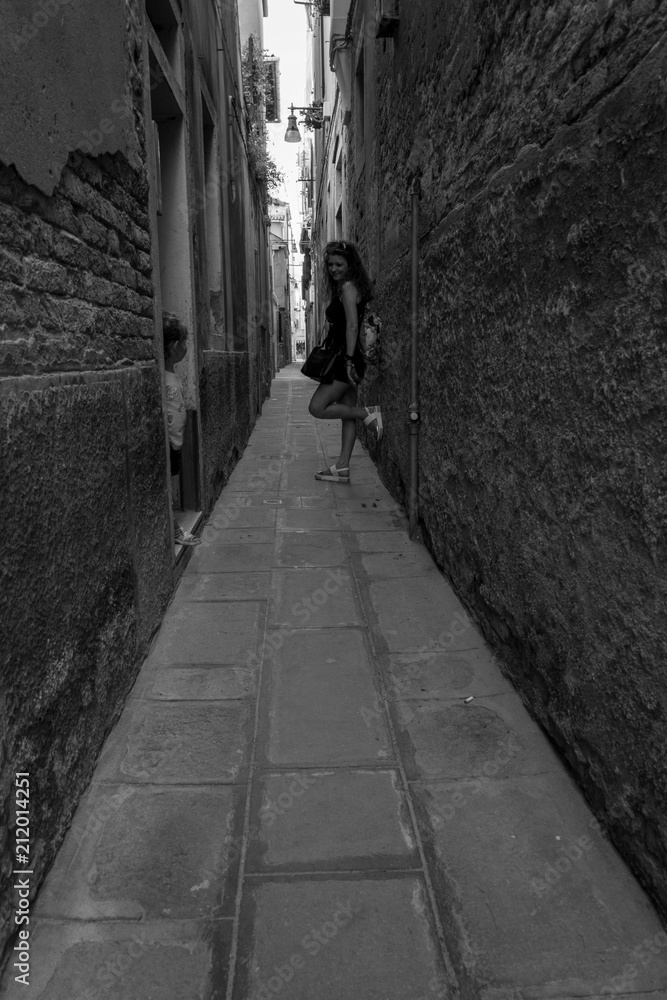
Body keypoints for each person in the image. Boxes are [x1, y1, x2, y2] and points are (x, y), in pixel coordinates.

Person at [307, 240, 383, 483]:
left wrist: (349, 360)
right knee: (345, 414)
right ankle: (342, 467)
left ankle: (366, 413)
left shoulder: (348, 287)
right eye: (330, 264)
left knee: (317, 407)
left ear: (350, 264)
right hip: (348, 358)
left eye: (339, 264)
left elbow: (352, 325)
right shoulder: (347, 287)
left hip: (345, 360)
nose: (333, 269)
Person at [163, 312, 201, 546]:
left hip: (173, 443)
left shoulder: (168, 374)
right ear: (176, 346)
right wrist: (176, 443)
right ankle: (175, 530)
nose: (187, 346)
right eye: (185, 341)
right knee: (167, 488)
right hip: (171, 444)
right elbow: (173, 417)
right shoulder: (167, 382)